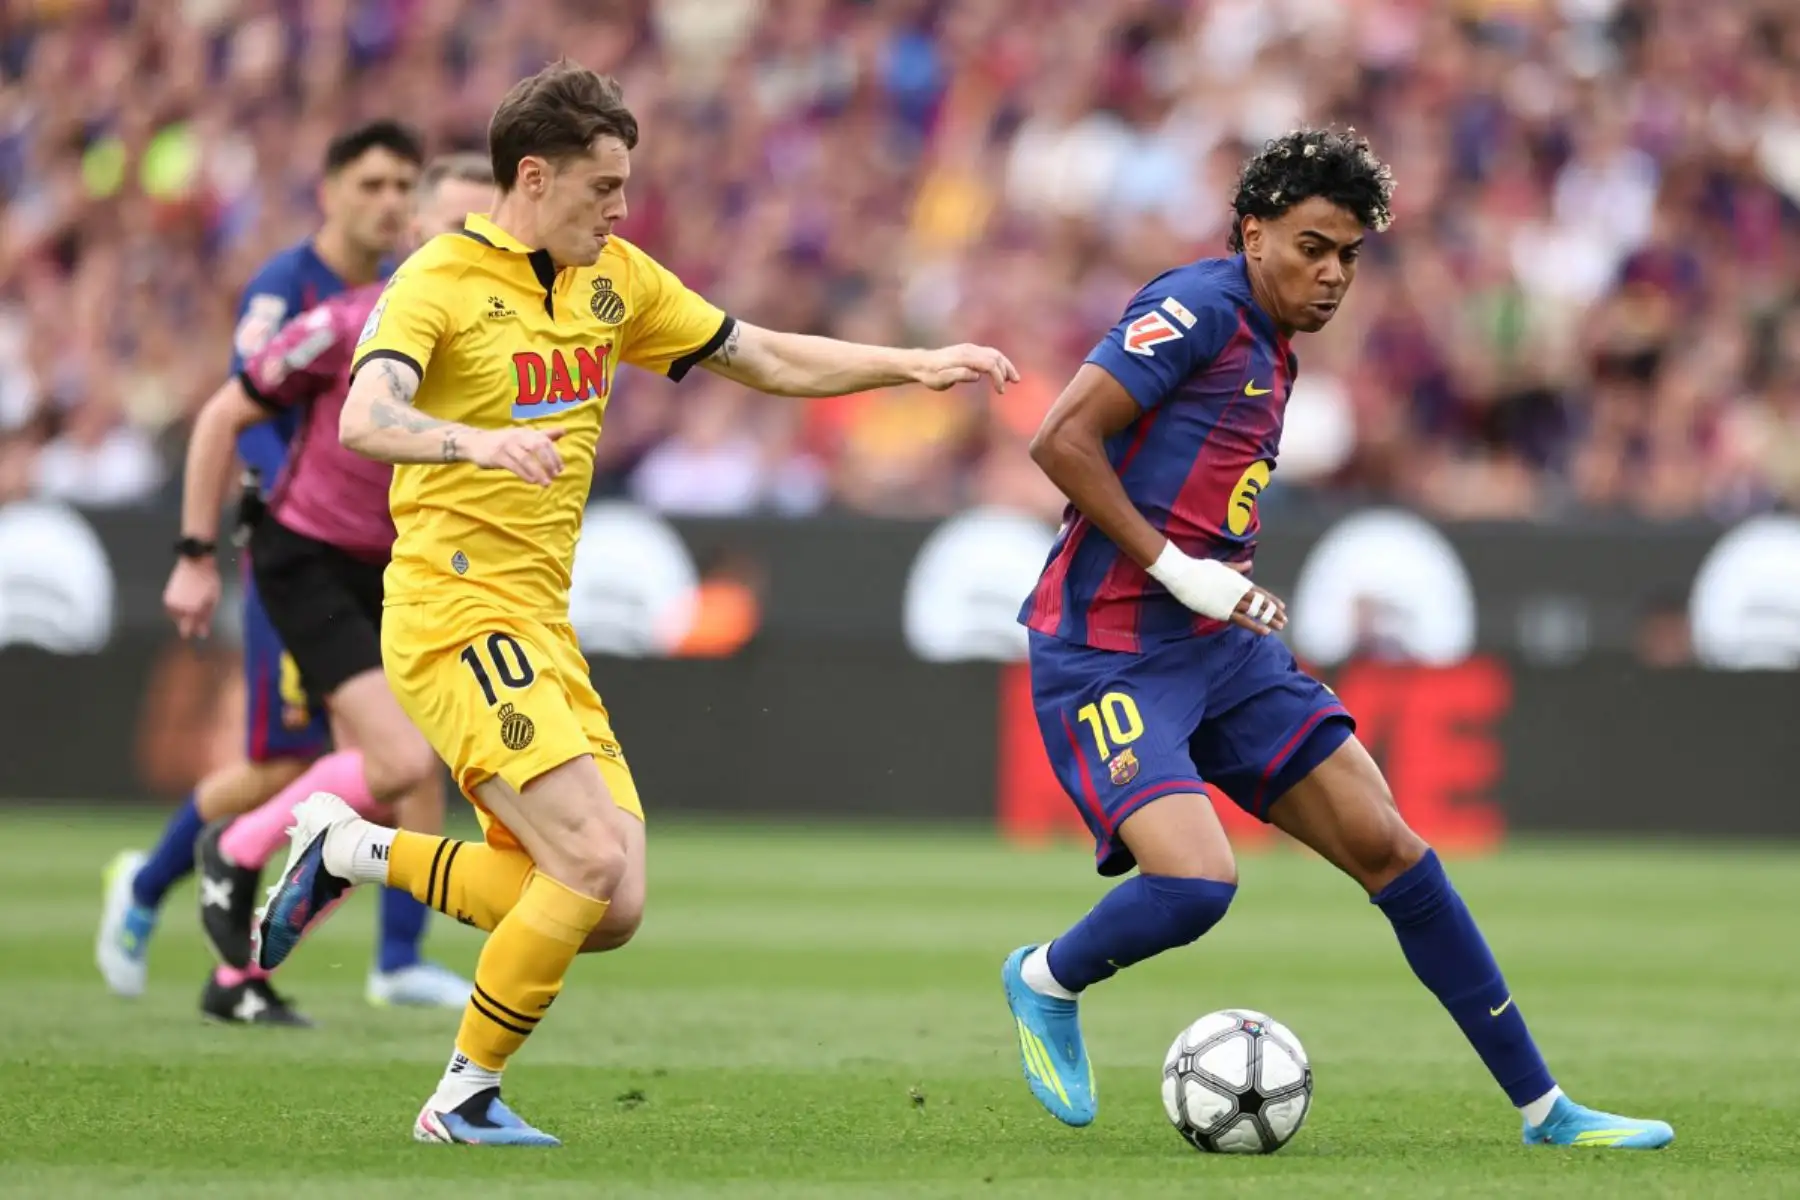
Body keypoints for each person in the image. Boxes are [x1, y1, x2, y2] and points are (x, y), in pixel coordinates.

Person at [253, 59, 1015, 1147]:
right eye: (604, 187)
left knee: (605, 908)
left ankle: (346, 849)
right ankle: (461, 1097)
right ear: (533, 177)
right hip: (453, 611)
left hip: (539, 625)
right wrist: (475, 440)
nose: (622, 208)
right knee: (587, 860)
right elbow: (367, 418)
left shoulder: (614, 279)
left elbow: (763, 354)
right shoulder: (437, 282)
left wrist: (914, 363)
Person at [1000, 128, 1673, 1151]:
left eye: (1349, 255)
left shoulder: (1274, 346)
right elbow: (1060, 438)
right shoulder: (1196, 306)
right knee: (1194, 884)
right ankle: (1045, 977)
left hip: (1220, 648)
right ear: (1253, 230)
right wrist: (1180, 569)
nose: (1331, 273)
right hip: (1108, 645)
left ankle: (1547, 1111)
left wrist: (1217, 585)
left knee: (1393, 850)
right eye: (1312, 245)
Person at [96, 120, 446, 1024]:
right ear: (329, 189)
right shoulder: (294, 294)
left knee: (402, 767)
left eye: (402, 188)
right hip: (301, 543)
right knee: (290, 764)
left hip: (381, 555)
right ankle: (160, 886)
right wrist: (207, 544)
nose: (389, 203)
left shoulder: (424, 300)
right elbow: (241, 407)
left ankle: (388, 958)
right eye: (372, 184)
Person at [161, 155, 498, 1022]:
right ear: (413, 234)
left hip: (401, 570)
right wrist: (195, 552)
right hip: (308, 560)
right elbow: (221, 417)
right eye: (455, 228)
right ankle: (235, 851)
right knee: (396, 763)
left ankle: (244, 971)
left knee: (404, 773)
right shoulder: (344, 324)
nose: (475, 246)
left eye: (488, 231)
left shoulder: (500, 346)